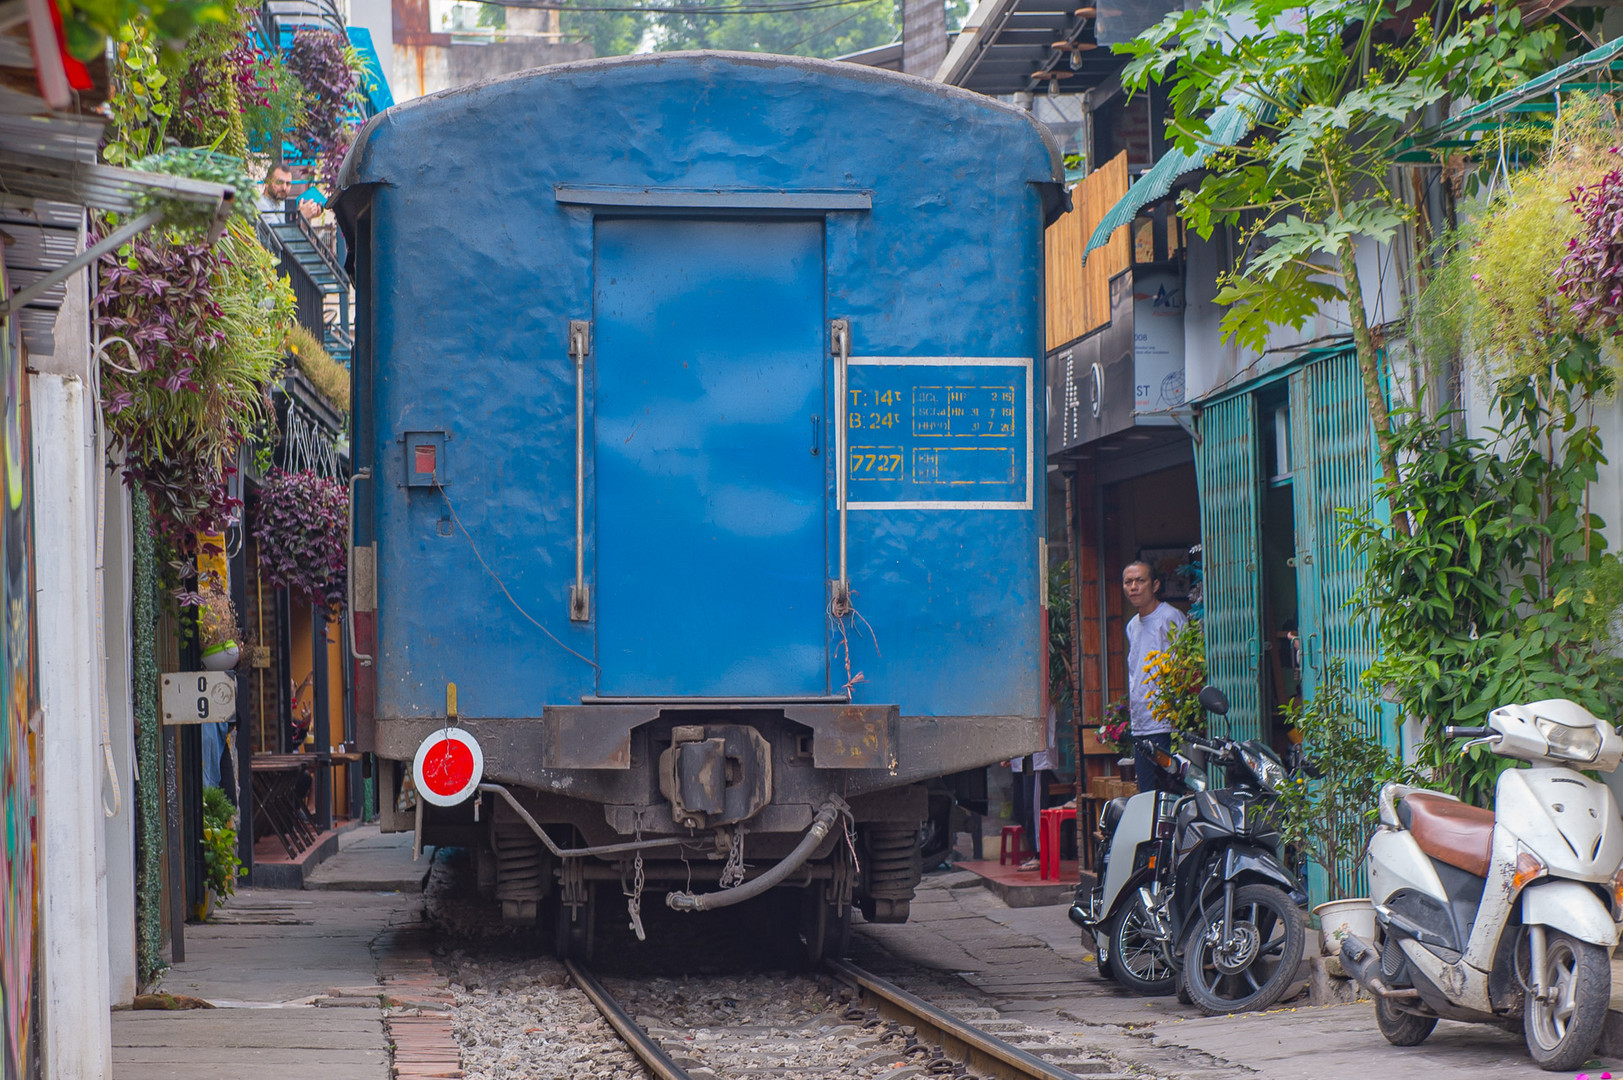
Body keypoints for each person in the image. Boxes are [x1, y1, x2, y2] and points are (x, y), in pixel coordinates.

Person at [1123, 559, 1187, 793]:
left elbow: (1184, 667)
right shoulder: (1132, 626)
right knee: (1147, 794)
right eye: (1128, 582)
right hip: (1141, 723)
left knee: (1169, 793)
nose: (1133, 587)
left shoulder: (1170, 617)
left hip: (1165, 723)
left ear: (1155, 584)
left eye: (1140, 581)